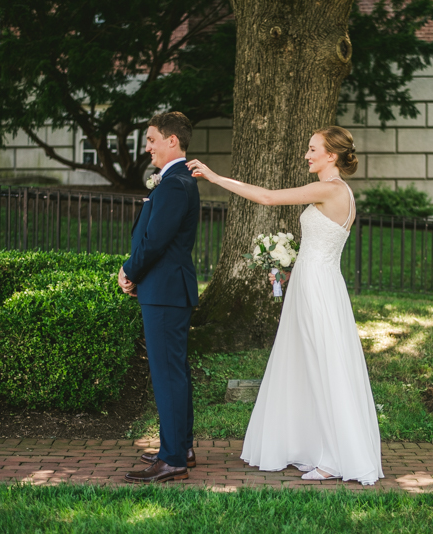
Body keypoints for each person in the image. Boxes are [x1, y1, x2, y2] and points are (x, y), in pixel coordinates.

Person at [187, 125, 383, 485]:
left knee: (322, 366)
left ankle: (335, 458)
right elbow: (320, 248)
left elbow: (268, 198)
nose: (307, 154)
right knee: (310, 365)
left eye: (312, 149)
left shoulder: (329, 188)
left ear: (331, 155)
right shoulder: (341, 194)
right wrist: (286, 273)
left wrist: (215, 177)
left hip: (317, 289)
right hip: (312, 284)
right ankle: (317, 447)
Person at [118, 111, 200, 483]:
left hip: (164, 290)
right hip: (167, 288)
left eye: (151, 139)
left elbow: (155, 242)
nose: (146, 147)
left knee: (167, 374)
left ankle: (172, 460)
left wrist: (129, 270)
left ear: (172, 141)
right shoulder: (177, 180)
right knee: (175, 371)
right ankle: (180, 446)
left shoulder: (173, 183)